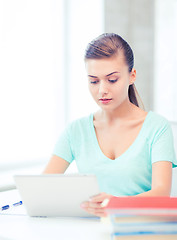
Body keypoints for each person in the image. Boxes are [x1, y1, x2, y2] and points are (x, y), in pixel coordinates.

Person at [43, 33, 177, 217]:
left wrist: (116, 204)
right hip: (89, 230)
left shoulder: (157, 127)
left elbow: (161, 194)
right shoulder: (75, 131)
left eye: (112, 80)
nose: (102, 90)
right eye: (94, 81)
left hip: (139, 229)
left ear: (132, 76)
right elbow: (42, 187)